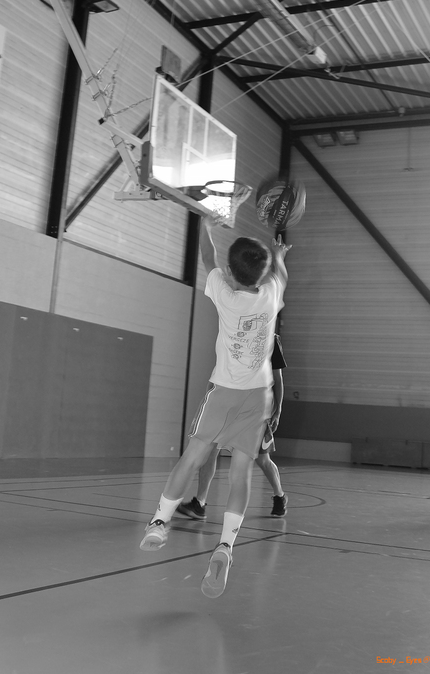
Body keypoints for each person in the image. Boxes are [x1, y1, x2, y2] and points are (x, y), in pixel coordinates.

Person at [140, 215, 290, 599]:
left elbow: (207, 257)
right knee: (240, 475)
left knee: (192, 457)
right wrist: (278, 254)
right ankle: (225, 546)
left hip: (224, 390)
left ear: (230, 272)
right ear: (263, 272)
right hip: (258, 395)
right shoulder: (272, 293)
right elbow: (280, 273)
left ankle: (159, 522)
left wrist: (205, 225)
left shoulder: (225, 295)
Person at [177, 333, 288, 521]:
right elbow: (219, 372)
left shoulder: (270, 339)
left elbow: (278, 378)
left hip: (254, 409)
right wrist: (209, 400)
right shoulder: (232, 334)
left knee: (262, 459)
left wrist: (277, 411)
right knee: (210, 450)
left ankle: (279, 495)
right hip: (227, 406)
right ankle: (199, 504)